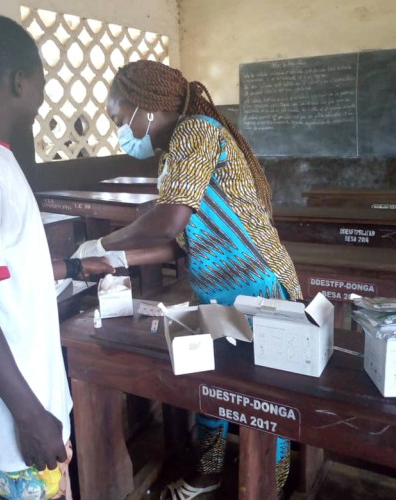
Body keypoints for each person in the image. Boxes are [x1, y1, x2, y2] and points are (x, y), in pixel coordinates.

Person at [73, 60, 302, 500]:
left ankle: (269, 486)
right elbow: (180, 241)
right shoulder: (175, 151)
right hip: (217, 288)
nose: (120, 128)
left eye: (120, 118)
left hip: (260, 286)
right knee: (209, 382)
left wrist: (102, 242)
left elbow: (167, 220)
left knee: (267, 398)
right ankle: (210, 471)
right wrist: (116, 257)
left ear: (147, 109)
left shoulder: (196, 132)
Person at [0, 15, 114, 500]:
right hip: (13, 425)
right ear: (18, 81)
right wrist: (30, 416)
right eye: (42, 83)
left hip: (21, 410)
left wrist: (72, 268)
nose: (41, 97)